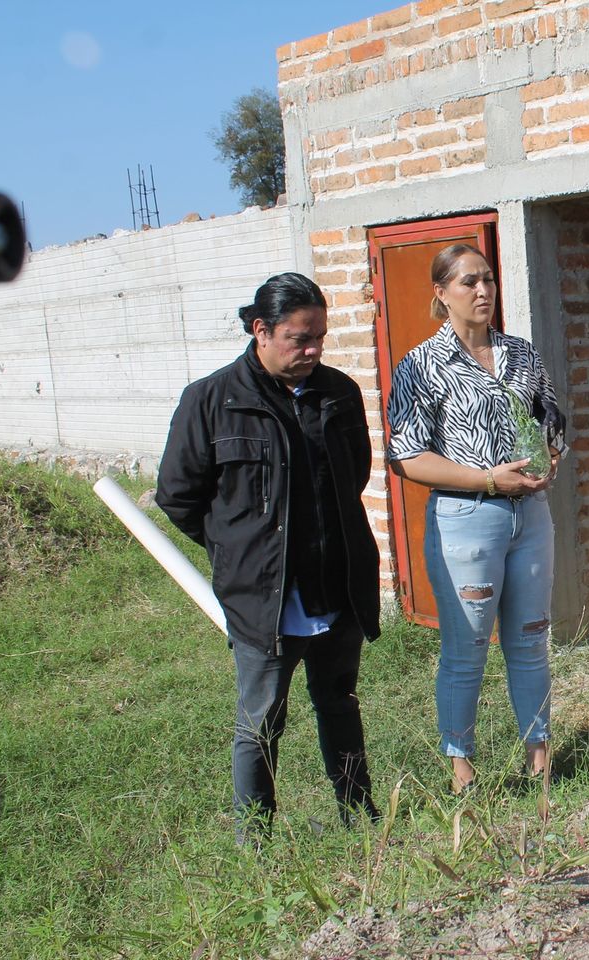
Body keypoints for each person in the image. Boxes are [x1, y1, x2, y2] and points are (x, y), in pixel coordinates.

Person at [156, 272, 382, 842]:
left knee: (339, 701)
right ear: (261, 330)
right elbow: (178, 495)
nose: (313, 351)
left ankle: (360, 816)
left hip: (336, 584)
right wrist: (237, 552)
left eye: (320, 338)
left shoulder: (338, 393)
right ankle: (254, 842)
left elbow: (354, 475)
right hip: (265, 598)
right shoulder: (212, 401)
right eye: (300, 339)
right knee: (260, 722)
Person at [384, 243, 565, 795]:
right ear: (441, 293)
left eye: (487, 279)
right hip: (467, 519)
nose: (483, 291)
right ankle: (462, 770)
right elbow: (408, 456)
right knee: (466, 648)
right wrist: (489, 478)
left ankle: (541, 762)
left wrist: (549, 458)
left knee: (532, 639)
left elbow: (550, 417)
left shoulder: (522, 354)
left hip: (529, 515)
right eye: (468, 282)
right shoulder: (421, 365)